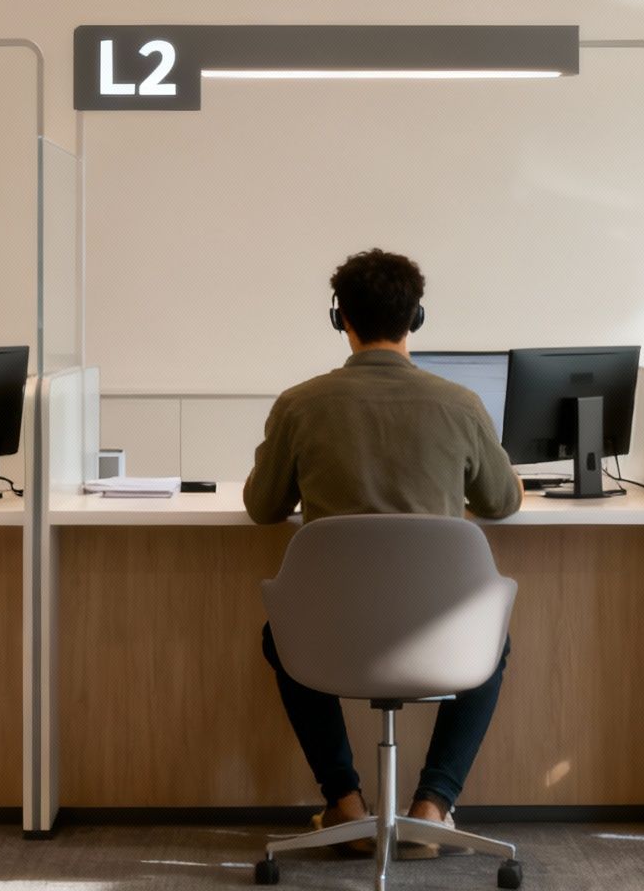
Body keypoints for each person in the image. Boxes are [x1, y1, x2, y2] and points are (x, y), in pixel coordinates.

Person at [244, 248, 521, 854]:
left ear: (340, 318)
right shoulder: (461, 405)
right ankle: (432, 807)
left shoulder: (299, 405)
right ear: (416, 318)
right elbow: (503, 503)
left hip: (330, 637)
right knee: (491, 641)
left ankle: (345, 806)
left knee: (279, 637)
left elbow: (262, 508)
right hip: (441, 634)